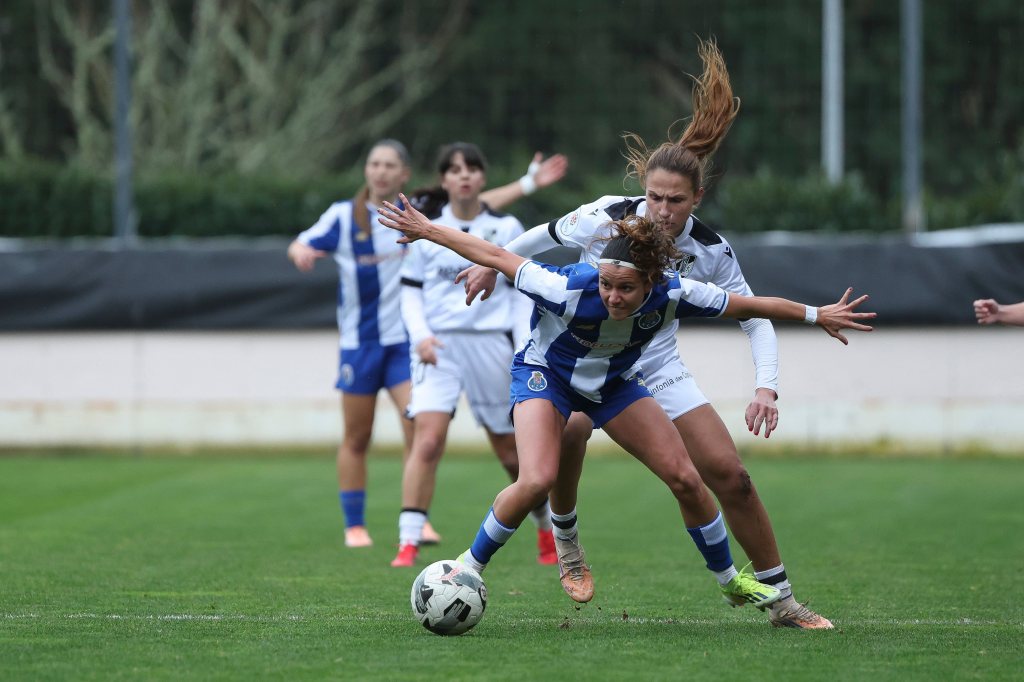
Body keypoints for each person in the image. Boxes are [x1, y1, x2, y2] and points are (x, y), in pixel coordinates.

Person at [458, 38, 837, 628]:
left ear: (698, 199)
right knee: (570, 433)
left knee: (726, 475)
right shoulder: (607, 215)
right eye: (654, 197)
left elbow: (753, 311)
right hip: (576, 357)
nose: (661, 211)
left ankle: (780, 598)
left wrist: (766, 386)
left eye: (675, 201)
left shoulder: (708, 252)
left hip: (651, 364)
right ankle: (567, 539)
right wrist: (490, 261)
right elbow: (541, 235)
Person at [378, 194, 874, 614]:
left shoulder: (674, 291)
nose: (613, 297)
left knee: (685, 477)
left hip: (614, 385)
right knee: (535, 480)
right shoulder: (565, 286)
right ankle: (467, 567)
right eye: (606, 285)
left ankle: (731, 582)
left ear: (652, 283)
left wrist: (817, 314)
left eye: (626, 288)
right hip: (545, 378)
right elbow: (490, 252)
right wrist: (427, 229)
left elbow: (752, 305)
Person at [288, 139, 568, 549]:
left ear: (404, 174)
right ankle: (364, 527)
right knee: (369, 436)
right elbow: (303, 241)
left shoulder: (418, 214)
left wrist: (526, 185)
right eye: (374, 163)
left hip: (415, 343)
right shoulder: (343, 218)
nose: (380, 171)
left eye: (389, 165)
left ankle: (422, 523)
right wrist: (300, 249)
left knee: (428, 436)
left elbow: (474, 201)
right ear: (365, 170)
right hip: (368, 342)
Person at [389, 142, 559, 568]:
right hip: (439, 347)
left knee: (509, 453)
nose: (463, 175)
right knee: (427, 441)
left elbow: (524, 292)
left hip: (492, 346)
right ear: (444, 180)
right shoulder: (425, 229)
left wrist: (524, 343)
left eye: (471, 168)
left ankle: (545, 530)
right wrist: (421, 337)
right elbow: (409, 295)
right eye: (454, 169)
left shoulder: (506, 228)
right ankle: (408, 542)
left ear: (482, 178)